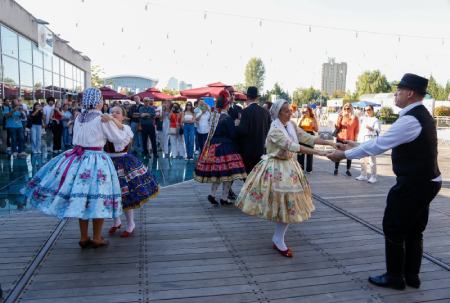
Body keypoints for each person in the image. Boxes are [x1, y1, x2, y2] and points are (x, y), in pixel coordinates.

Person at [328, 73, 441, 290]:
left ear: (409, 93)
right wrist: (352, 146)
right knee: (414, 229)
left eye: (398, 91)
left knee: (394, 227)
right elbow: (383, 142)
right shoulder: (422, 115)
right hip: (428, 180)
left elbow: (378, 145)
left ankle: (395, 277)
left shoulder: (409, 119)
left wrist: (343, 155)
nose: (395, 95)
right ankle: (412, 276)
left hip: (414, 182)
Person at [22, 88, 127, 248]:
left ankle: (84, 237)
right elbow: (118, 139)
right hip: (96, 159)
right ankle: (97, 237)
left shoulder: (79, 117)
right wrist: (113, 121)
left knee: (82, 198)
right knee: (98, 197)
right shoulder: (102, 118)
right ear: (98, 101)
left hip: (78, 158)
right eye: (101, 100)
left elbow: (76, 137)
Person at [235, 99, 336, 257]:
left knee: (288, 204)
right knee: (284, 203)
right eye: (286, 111)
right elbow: (292, 146)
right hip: (276, 168)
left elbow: (307, 138)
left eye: (290, 110)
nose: (290, 113)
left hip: (289, 167)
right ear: (278, 113)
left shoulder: (291, 125)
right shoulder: (274, 130)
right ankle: (278, 238)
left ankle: (278, 237)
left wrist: (331, 144)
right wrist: (321, 153)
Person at [104, 106, 159, 237]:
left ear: (123, 117)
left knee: (126, 194)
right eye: (112, 112)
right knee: (111, 193)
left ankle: (130, 223)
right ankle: (116, 221)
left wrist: (111, 120)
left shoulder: (126, 129)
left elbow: (119, 143)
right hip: (108, 163)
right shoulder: (106, 129)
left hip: (123, 162)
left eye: (117, 112)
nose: (114, 114)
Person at [194, 90, 247, 205]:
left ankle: (212, 194)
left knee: (218, 173)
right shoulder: (227, 118)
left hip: (214, 148)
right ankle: (224, 198)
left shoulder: (214, 117)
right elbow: (232, 134)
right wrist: (237, 125)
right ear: (227, 105)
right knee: (228, 175)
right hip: (226, 147)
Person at [236, 86, 271, 174]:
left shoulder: (245, 111)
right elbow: (269, 130)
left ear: (247, 97)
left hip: (248, 151)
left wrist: (236, 126)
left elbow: (243, 131)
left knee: (249, 177)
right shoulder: (265, 112)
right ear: (257, 97)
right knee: (258, 176)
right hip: (261, 150)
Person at [356, 105, 381, 183]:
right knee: (363, 159)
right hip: (363, 141)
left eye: (369, 109)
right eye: (366, 110)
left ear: (373, 110)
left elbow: (378, 130)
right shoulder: (363, 119)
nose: (367, 111)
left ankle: (373, 176)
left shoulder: (375, 120)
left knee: (371, 160)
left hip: (371, 141)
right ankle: (363, 175)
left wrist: (371, 128)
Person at [333, 103, 359, 176]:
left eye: (348, 108)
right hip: (341, 138)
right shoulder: (341, 116)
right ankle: (336, 169)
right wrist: (340, 117)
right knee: (338, 154)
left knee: (349, 155)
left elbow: (357, 130)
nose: (346, 110)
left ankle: (348, 170)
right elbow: (337, 127)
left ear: (351, 109)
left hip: (350, 139)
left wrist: (355, 139)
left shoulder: (355, 118)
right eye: (345, 108)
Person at [297, 106, 319, 173]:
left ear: (309, 111)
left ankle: (309, 169)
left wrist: (313, 125)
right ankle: (300, 168)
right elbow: (297, 127)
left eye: (306, 111)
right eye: (303, 111)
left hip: (310, 134)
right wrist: (300, 119)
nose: (305, 112)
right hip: (302, 134)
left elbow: (316, 130)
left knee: (310, 152)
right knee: (300, 152)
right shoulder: (301, 118)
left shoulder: (313, 118)